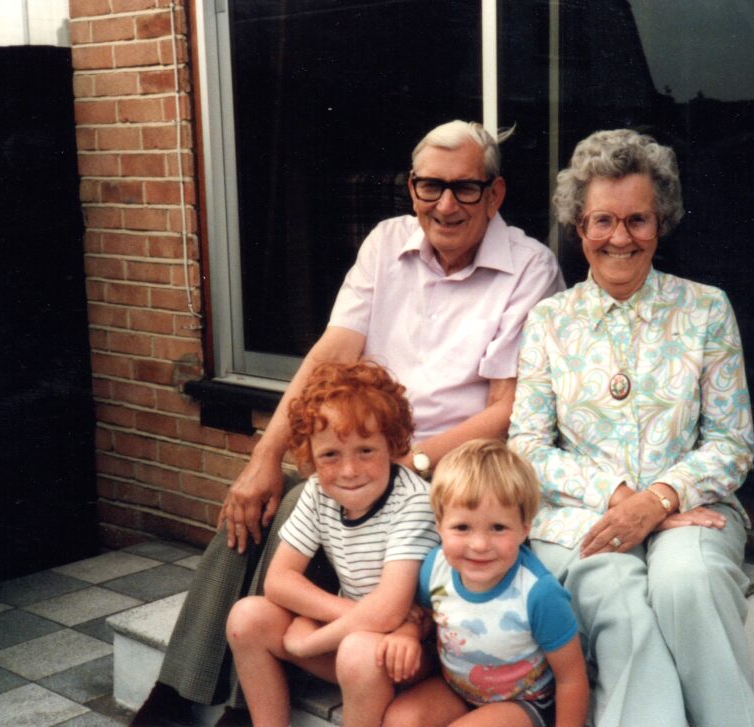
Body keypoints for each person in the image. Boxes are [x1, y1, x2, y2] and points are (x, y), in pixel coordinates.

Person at [133, 120, 564, 726]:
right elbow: (330, 355)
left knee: (295, 507)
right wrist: (263, 458)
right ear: (410, 188)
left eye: (465, 188)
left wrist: (409, 462)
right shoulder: (386, 243)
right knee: (260, 499)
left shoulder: (530, 267)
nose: (445, 204)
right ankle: (183, 692)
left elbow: (508, 407)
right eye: (428, 186)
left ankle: (222, 702)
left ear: (495, 194)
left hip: (448, 466)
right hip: (368, 443)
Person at [508, 129, 754, 727]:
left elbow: (732, 443)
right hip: (582, 515)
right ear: (578, 226)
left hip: (691, 510)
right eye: (603, 220)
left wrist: (659, 500)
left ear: (662, 223)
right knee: (617, 593)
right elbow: (524, 449)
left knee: (689, 581)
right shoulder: (549, 321)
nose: (620, 238)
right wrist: (622, 500)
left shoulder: (706, 309)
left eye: (638, 220)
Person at [226, 361, 439, 727]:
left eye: (366, 451)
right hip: (354, 635)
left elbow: (389, 614)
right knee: (246, 617)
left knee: (358, 651)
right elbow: (278, 581)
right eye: (330, 455)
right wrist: (351, 616)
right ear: (310, 455)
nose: (349, 471)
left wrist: (307, 643)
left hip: (410, 652)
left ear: (392, 443)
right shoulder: (317, 492)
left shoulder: (413, 501)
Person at [383, 439, 588, 727]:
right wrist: (406, 633)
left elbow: (572, 678)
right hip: (456, 688)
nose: (479, 545)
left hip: (524, 702)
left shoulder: (538, 593)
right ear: (440, 525)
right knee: (399, 720)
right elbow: (427, 615)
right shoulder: (435, 569)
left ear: (523, 529)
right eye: (462, 527)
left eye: (498, 528)